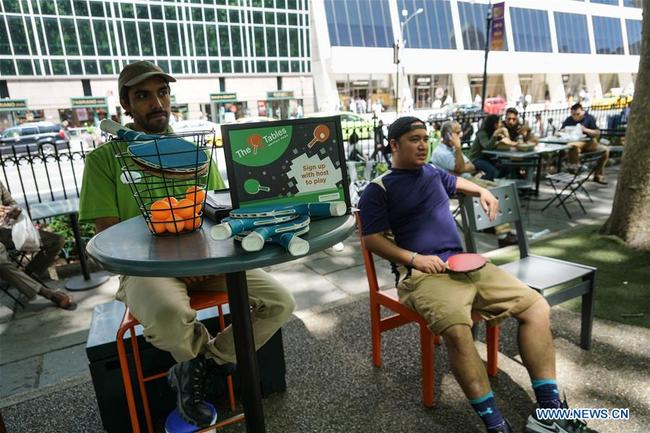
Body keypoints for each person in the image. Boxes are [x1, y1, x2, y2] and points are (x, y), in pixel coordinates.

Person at [78, 61, 295, 428]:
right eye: (142, 96)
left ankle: (200, 368)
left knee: (280, 302)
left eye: (162, 92)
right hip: (144, 269)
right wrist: (177, 265)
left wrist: (202, 261)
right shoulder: (103, 160)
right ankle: (198, 371)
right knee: (168, 315)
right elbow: (110, 239)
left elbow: (215, 213)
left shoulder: (191, 151)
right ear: (126, 105)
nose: (156, 102)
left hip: (205, 261)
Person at [358, 116, 599, 433]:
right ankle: (495, 424)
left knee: (536, 306)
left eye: (425, 138)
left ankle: (550, 410)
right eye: (414, 139)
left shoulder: (431, 172)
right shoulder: (379, 189)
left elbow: (457, 182)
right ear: (394, 145)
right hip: (421, 275)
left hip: (465, 264)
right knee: (458, 331)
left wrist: (483, 192)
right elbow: (371, 239)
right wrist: (416, 259)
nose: (422, 145)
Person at [431, 121, 517, 248]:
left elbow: (471, 166)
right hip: (458, 185)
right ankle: (503, 235)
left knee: (500, 187)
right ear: (448, 135)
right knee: (494, 191)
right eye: (457, 132)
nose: (460, 135)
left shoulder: (453, 149)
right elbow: (460, 168)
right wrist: (459, 150)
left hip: (468, 179)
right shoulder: (440, 152)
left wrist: (460, 167)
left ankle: (492, 225)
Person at [0, 181, 74, 309]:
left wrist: (12, 210)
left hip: (4, 230)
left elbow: (11, 203)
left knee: (55, 241)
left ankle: (27, 277)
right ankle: (47, 293)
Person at [560, 103, 609, 185]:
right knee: (572, 147)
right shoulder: (569, 120)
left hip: (589, 142)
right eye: (573, 114)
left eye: (578, 114)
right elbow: (560, 131)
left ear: (582, 111)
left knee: (605, 150)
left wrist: (585, 130)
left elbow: (597, 133)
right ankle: (573, 175)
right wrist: (564, 131)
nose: (575, 116)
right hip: (575, 142)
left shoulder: (589, 118)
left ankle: (598, 175)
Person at [467, 115, 511, 181]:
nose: (500, 124)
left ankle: (497, 181)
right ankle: (478, 182)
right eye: (499, 122)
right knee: (492, 172)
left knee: (505, 166)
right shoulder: (482, 133)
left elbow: (506, 142)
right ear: (494, 124)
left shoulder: (492, 132)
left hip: (488, 158)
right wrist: (495, 135)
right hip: (476, 159)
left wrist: (505, 135)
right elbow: (487, 147)